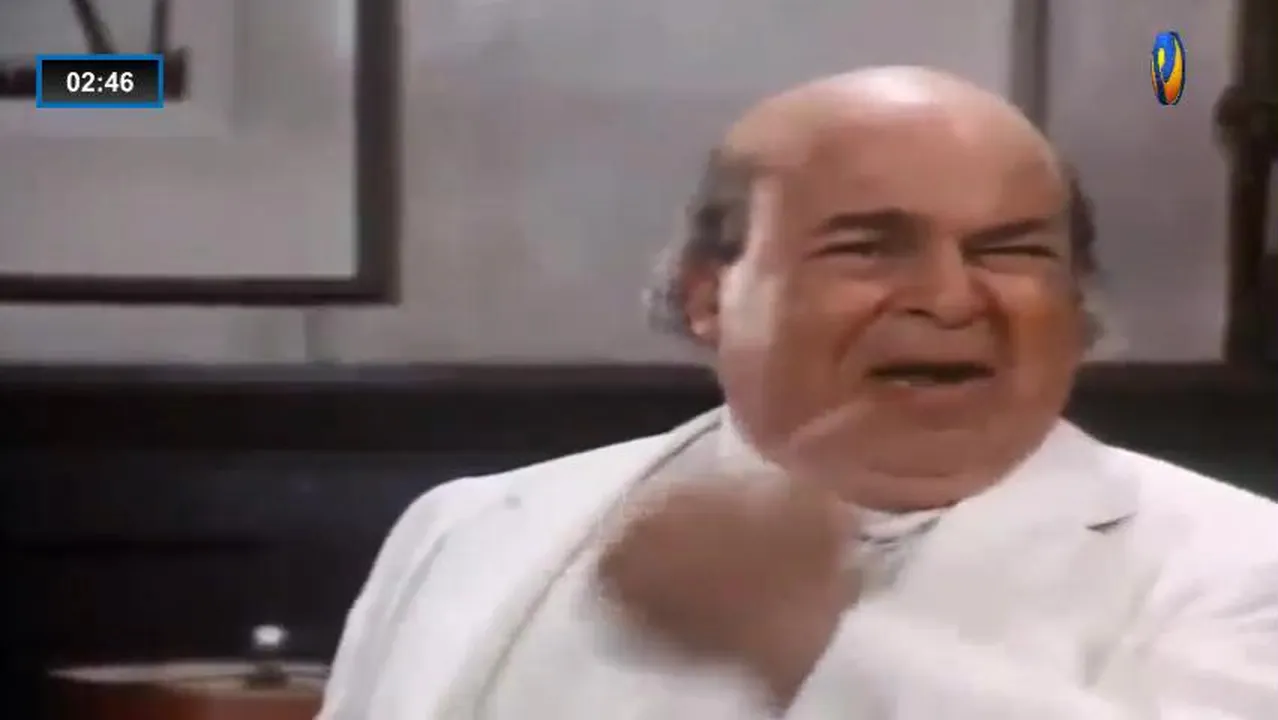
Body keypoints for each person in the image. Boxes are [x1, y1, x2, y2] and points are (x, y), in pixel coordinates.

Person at [318, 67, 1278, 719]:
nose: (952, 298)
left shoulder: (1239, 566)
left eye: (1012, 251)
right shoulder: (474, 528)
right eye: (869, 248)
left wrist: (804, 638)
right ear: (708, 295)